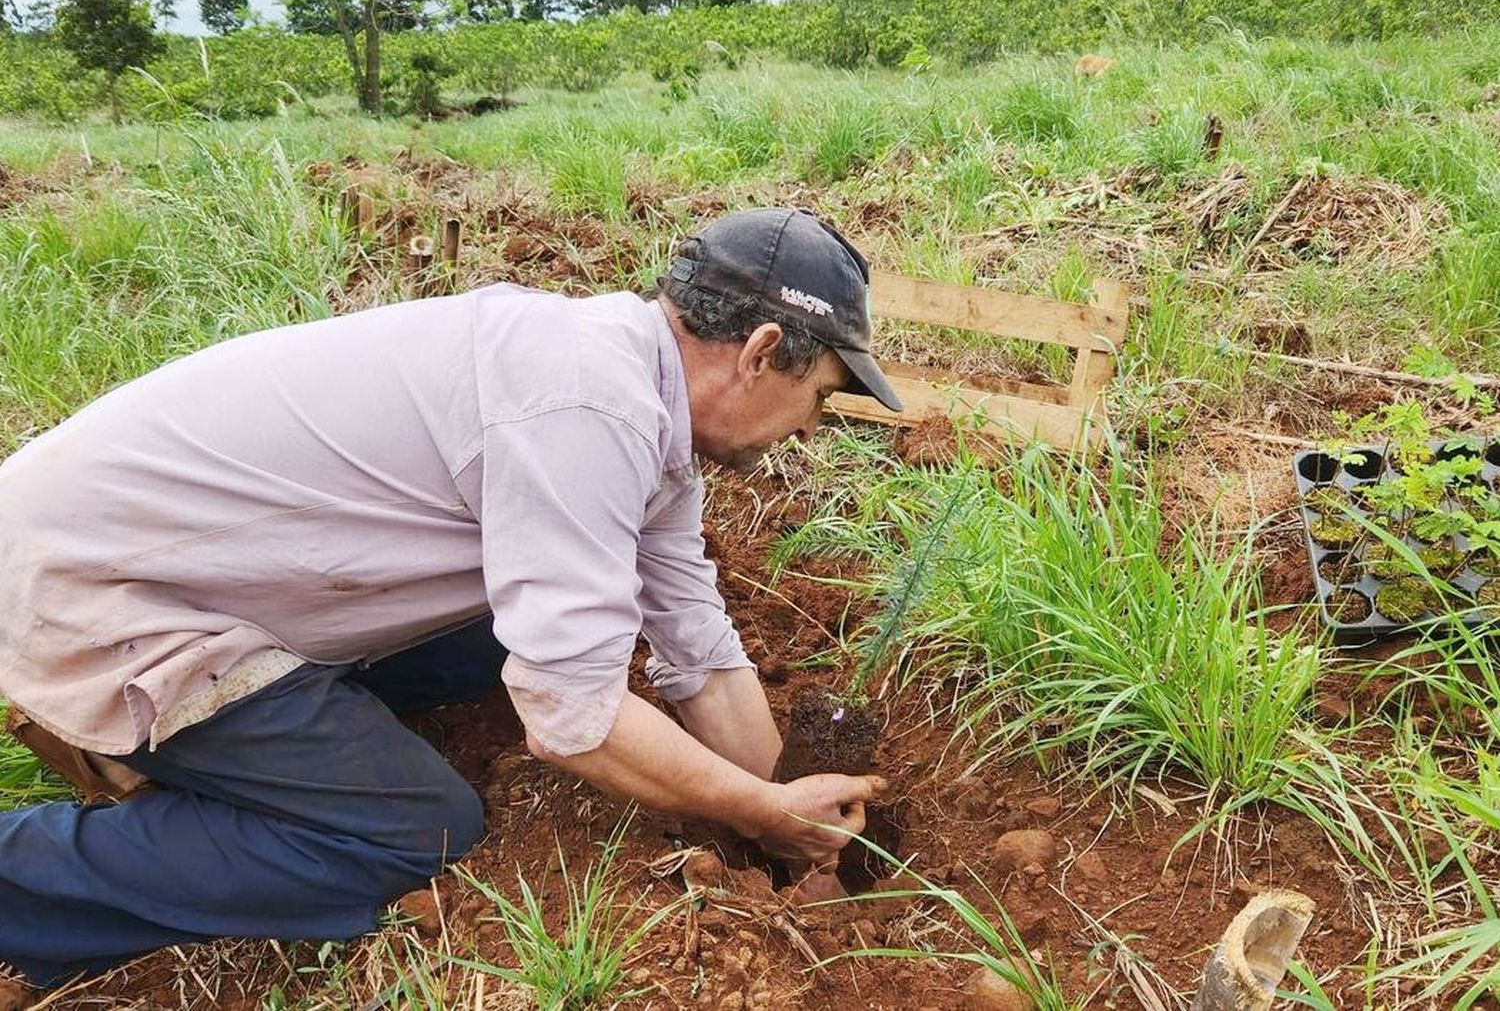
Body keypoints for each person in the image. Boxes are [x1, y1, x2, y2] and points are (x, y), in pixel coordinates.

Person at [0, 207, 902, 992]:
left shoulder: (636, 402)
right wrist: (754, 811)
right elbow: (571, 715)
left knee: (506, 634)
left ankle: (261, 742)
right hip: (101, 590)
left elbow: (695, 643)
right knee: (414, 829)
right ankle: (28, 883)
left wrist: (782, 814)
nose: (809, 430)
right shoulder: (586, 408)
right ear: (762, 352)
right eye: (818, 399)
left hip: (195, 558)